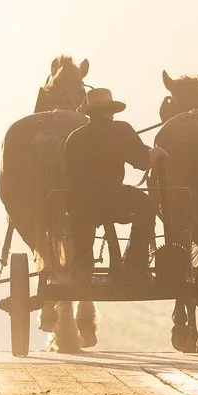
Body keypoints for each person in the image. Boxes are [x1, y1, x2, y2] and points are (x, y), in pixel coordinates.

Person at [63, 86, 155, 280]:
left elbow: (69, 173)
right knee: (146, 204)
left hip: (82, 202)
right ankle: (135, 264)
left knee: (79, 214)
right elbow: (142, 161)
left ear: (89, 113)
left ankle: (82, 268)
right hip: (114, 199)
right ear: (110, 111)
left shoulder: (75, 137)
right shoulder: (121, 130)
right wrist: (156, 154)